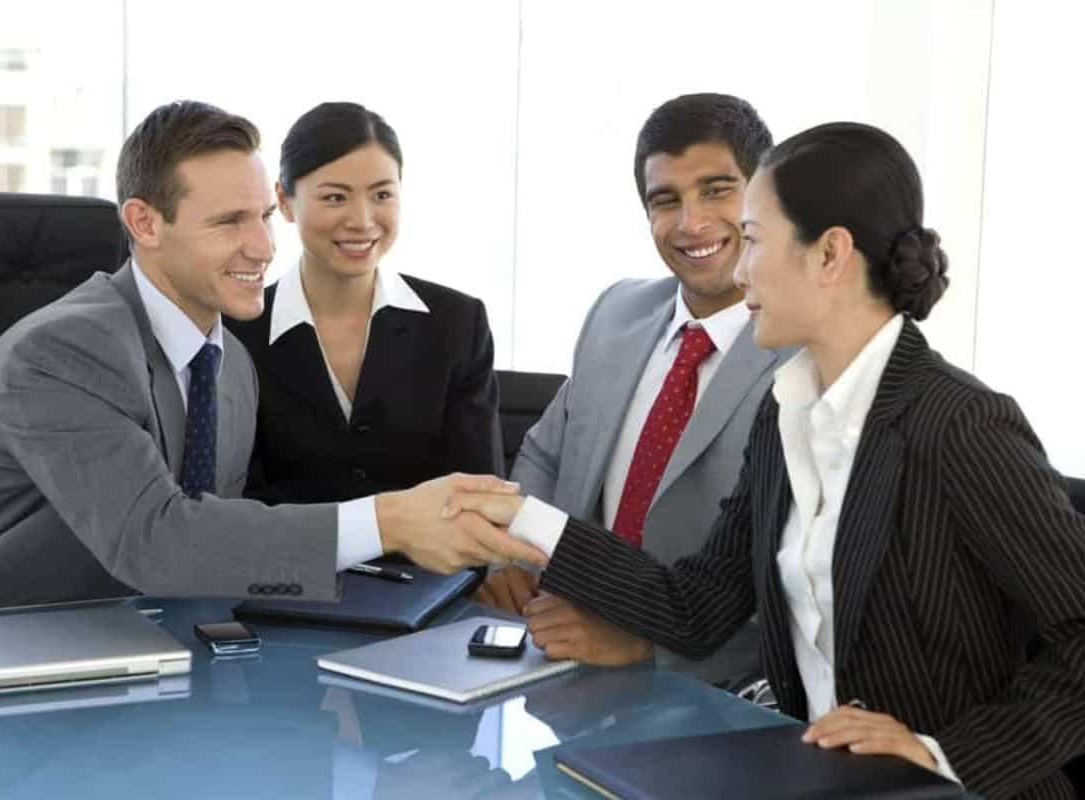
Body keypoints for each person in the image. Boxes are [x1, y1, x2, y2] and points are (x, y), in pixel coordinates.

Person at [449, 122, 1085, 797]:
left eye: (753, 239)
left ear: (830, 254)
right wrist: (525, 519)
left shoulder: (958, 423)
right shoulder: (788, 410)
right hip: (815, 774)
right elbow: (698, 605)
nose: (739, 268)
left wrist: (941, 753)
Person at [0, 100, 543, 618]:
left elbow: (217, 546)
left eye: (263, 217)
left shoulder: (229, 364)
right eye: (230, 222)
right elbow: (158, 541)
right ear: (145, 224)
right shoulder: (64, 350)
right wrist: (391, 518)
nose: (261, 247)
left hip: (135, 641)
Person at [476, 94, 785, 689]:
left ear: (764, 196)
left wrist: (648, 645)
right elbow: (545, 453)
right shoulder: (616, 312)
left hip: (710, 693)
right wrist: (513, 556)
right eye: (665, 200)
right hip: (557, 662)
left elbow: (798, 580)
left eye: (716, 190)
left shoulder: (804, 358)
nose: (690, 223)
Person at [225, 102, 502, 505]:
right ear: (284, 202)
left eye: (382, 195)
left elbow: (480, 493)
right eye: (335, 197)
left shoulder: (457, 323)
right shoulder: (236, 329)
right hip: (284, 566)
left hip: (432, 567)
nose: (362, 219)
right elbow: (235, 499)